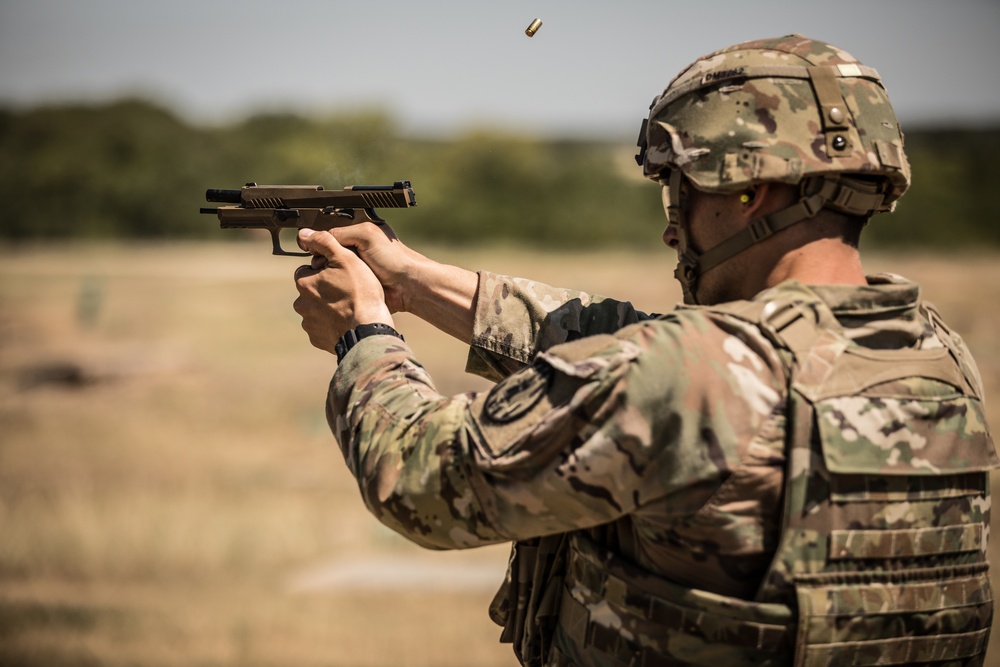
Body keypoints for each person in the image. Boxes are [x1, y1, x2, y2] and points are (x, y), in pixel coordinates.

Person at [293, 34, 998, 667]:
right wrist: (413, 282)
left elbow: (419, 479)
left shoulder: (693, 372)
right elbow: (638, 346)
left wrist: (364, 335)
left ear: (750, 189)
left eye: (681, 189)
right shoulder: (937, 356)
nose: (673, 229)